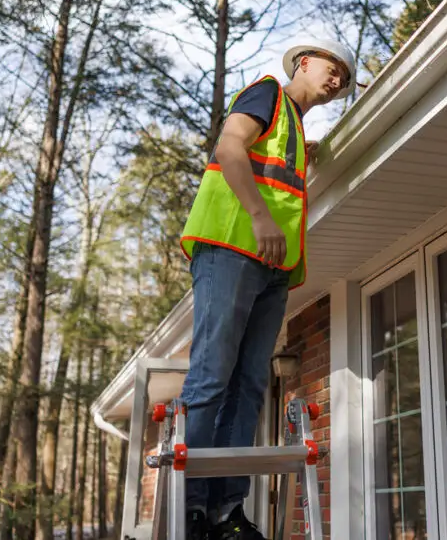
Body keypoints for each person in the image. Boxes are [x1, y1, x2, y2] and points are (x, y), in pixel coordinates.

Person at [177, 38, 356, 540]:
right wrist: (258, 216)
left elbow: (278, 172)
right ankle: (191, 509)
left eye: (344, 75)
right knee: (213, 375)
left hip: (274, 266)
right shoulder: (267, 94)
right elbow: (229, 147)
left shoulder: (294, 127)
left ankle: (226, 510)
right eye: (331, 66)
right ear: (303, 62)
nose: (337, 78)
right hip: (233, 245)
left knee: (251, 385)